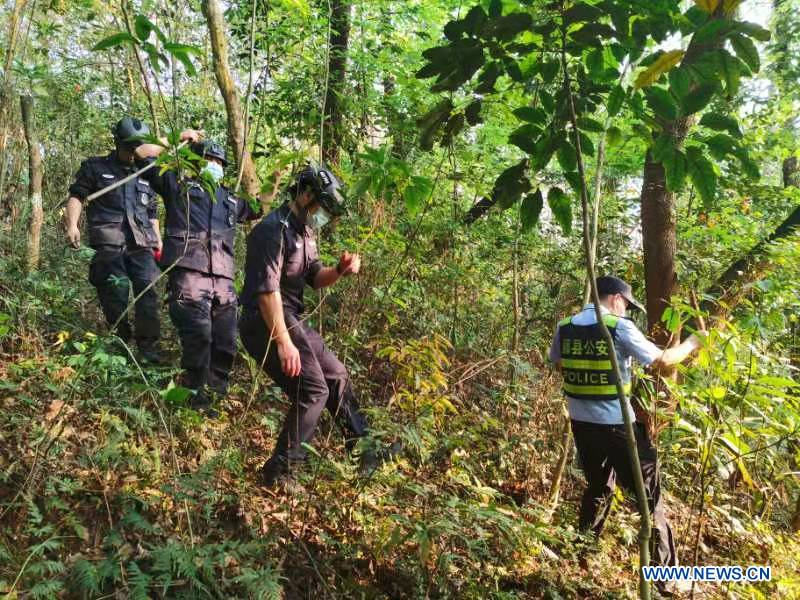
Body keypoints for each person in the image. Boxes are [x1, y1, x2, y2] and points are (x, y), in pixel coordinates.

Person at [239, 163, 398, 487]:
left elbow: (314, 277)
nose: (323, 216)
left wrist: (339, 270)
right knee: (313, 389)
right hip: (265, 321)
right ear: (306, 193)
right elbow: (266, 292)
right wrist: (283, 343)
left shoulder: (305, 232)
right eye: (322, 208)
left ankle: (365, 448)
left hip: (292, 317)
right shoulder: (272, 229)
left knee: (336, 374)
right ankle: (280, 471)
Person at [549, 276, 705, 595]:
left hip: (581, 423)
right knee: (650, 500)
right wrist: (692, 343)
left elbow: (560, 364)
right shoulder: (618, 326)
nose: (626, 310)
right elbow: (662, 362)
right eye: (626, 304)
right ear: (617, 299)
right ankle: (666, 577)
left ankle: (582, 554)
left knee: (598, 486)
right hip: (618, 427)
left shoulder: (565, 325)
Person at [135, 132, 261, 414]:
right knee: (199, 335)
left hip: (224, 281)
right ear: (195, 162)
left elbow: (257, 209)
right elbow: (142, 152)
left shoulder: (229, 198)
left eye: (219, 161)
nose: (214, 164)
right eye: (209, 159)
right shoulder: (177, 184)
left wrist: (273, 184)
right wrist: (176, 142)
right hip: (189, 275)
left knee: (226, 340)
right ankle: (194, 395)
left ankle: (214, 396)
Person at [65, 117, 163, 363]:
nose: (134, 154)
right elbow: (77, 196)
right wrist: (72, 225)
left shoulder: (146, 173)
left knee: (148, 291)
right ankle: (121, 341)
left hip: (141, 242)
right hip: (109, 241)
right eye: (130, 148)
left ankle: (148, 349)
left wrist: (158, 240)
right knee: (115, 292)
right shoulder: (95, 167)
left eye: (139, 149)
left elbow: (151, 212)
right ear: (118, 143)